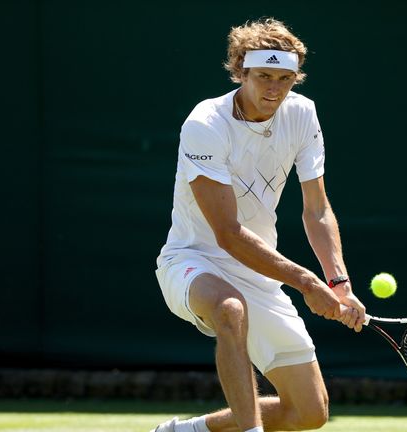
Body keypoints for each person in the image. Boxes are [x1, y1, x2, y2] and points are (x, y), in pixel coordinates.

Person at [153, 18, 366, 432]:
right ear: (241, 71)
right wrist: (306, 282)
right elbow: (227, 233)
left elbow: (317, 210)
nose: (274, 89)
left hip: (259, 269)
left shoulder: (302, 115)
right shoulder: (205, 124)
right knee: (230, 309)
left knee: (309, 412)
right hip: (193, 261)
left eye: (284, 79)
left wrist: (339, 283)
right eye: (264, 77)